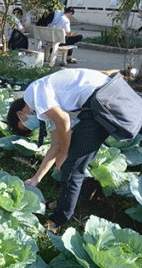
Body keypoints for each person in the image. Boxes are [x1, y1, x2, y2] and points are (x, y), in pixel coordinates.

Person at [7, 68, 118, 233]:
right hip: (100, 103)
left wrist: (65, 154)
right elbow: (56, 145)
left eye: (23, 125)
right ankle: (63, 203)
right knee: (72, 161)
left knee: (72, 167)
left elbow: (64, 120)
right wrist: (37, 178)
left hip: (104, 101)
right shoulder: (46, 110)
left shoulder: (32, 95)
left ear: (20, 114)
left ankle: (58, 220)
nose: (29, 127)